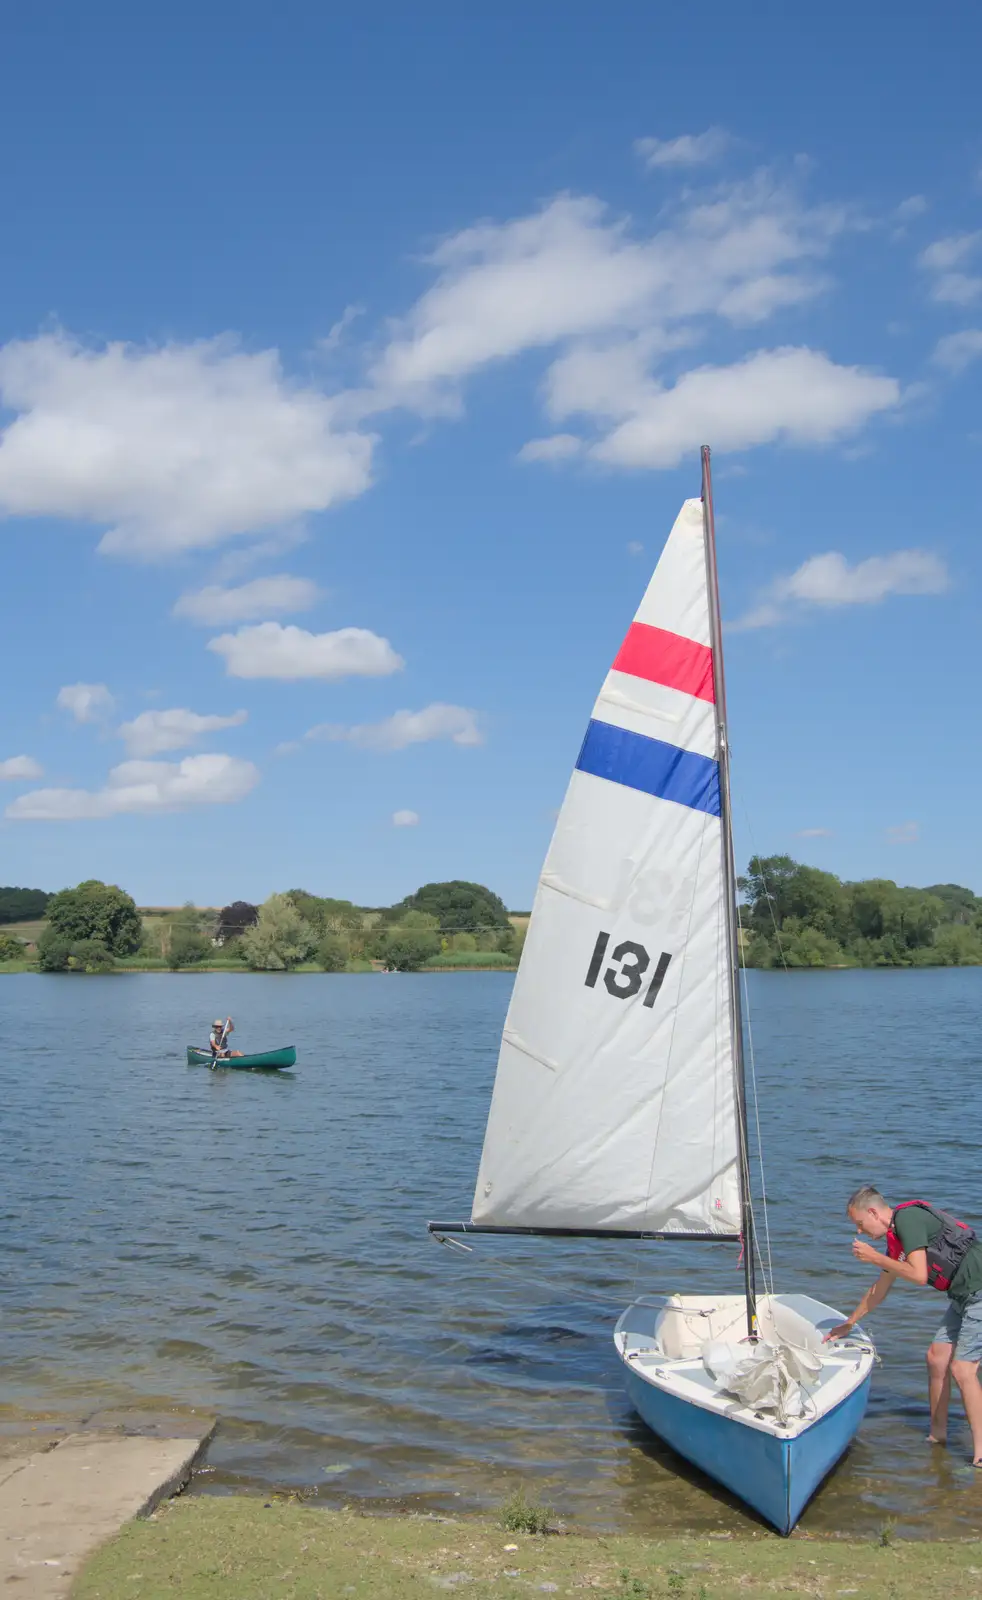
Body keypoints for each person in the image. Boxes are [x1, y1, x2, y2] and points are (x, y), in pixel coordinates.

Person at [825, 1185, 982, 1464]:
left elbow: (920, 1275)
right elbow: (880, 1289)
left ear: (873, 1212)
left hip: (979, 1291)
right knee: (936, 1358)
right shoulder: (895, 1243)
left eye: (860, 1223)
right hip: (962, 1297)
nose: (859, 1231)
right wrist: (849, 1323)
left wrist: (875, 1257)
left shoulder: (908, 1219)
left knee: (962, 1368)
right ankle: (938, 1435)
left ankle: (981, 1455)